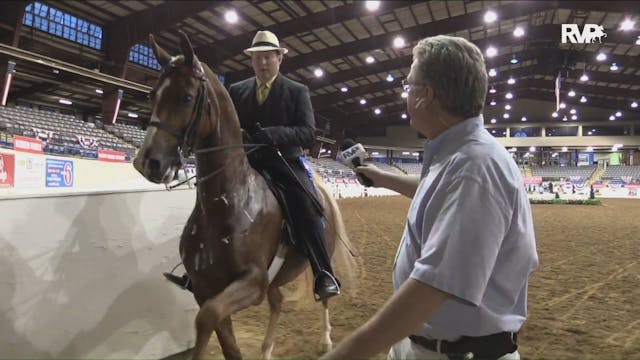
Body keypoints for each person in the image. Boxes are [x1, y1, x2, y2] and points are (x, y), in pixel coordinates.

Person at [320, 35, 538, 359]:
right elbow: (435, 192)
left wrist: (344, 355)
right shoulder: (460, 156)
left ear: (426, 96)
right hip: (426, 345)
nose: (406, 94)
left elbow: (433, 286)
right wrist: (382, 177)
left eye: (409, 86)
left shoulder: (474, 168)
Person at [164, 30, 340, 301]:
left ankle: (323, 272)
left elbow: (307, 133)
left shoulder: (296, 91)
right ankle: (199, 271)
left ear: (279, 58)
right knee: (209, 198)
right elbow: (228, 126)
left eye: (269, 57)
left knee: (307, 204)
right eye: (258, 58)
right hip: (246, 161)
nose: (263, 63)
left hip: (284, 162)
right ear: (252, 61)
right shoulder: (238, 90)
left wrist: (272, 134)